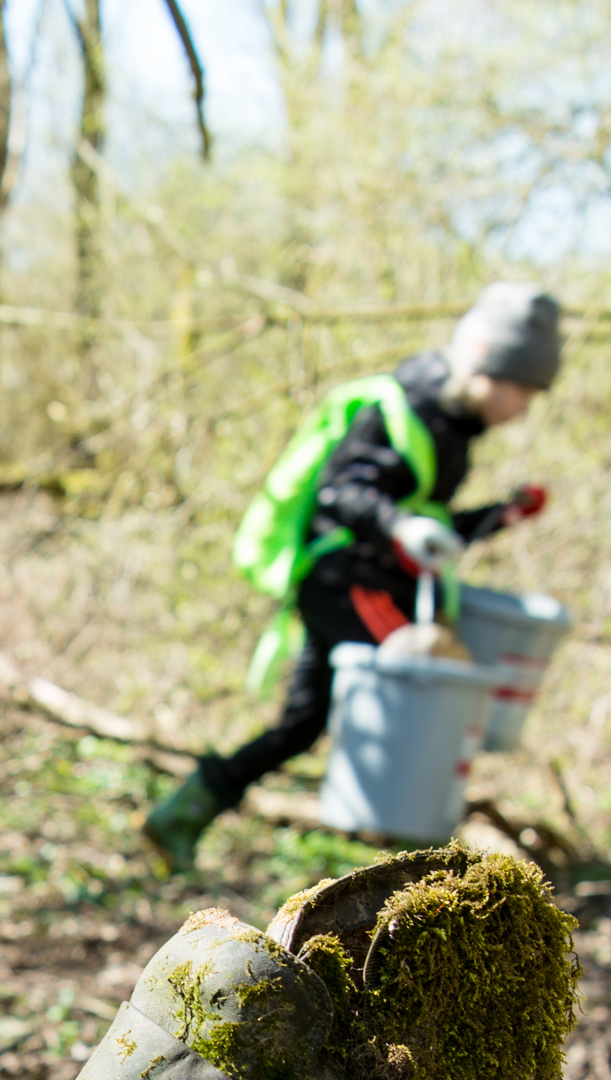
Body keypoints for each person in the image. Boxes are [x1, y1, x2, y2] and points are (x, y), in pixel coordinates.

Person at [141, 282, 562, 872]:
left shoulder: (454, 430)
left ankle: (179, 816)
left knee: (302, 724)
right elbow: (346, 492)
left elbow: (428, 526)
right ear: (488, 365)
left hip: (363, 582)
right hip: (347, 580)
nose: (521, 408)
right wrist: (399, 526)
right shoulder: (398, 408)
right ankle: (410, 873)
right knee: (423, 686)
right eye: (520, 390)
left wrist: (499, 516)